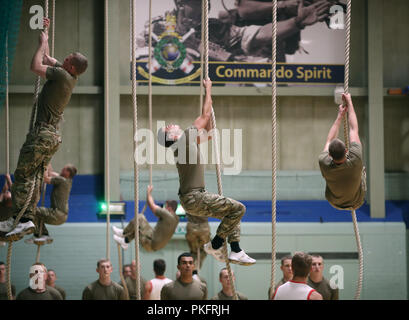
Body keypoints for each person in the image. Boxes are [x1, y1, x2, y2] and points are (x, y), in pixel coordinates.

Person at [0, 17, 88, 240]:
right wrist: (45, 37)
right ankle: (25, 219)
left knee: (24, 174)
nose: (61, 59)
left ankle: (22, 219)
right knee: (34, 177)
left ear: (71, 66)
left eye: (66, 59)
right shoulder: (70, 77)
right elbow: (48, 59)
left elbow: (35, 65)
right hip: (51, 136)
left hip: (42, 134)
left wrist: (39, 45)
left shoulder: (62, 75)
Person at [157, 78, 254, 266]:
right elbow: (204, 115)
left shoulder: (186, 143)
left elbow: (209, 132)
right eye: (168, 127)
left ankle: (235, 249)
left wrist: (210, 112)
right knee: (239, 208)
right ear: (172, 136)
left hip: (192, 198)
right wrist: (208, 89)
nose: (172, 124)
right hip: (195, 197)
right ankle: (216, 245)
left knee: (232, 214)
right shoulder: (184, 139)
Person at [137, 0, 330, 64]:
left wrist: (297, 22)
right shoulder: (155, 28)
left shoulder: (216, 28)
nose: (200, 10)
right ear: (179, 4)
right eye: (194, 4)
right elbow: (140, 61)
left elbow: (259, 33)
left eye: (205, 4)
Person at [319, 93, 366, 210]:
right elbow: (353, 129)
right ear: (346, 150)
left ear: (329, 155)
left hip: (335, 202)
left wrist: (340, 116)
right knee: (361, 170)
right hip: (356, 202)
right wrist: (350, 102)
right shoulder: (355, 159)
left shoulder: (324, 161)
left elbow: (329, 140)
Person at [112, 185, 179, 252]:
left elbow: (152, 205)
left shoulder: (168, 215)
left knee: (140, 218)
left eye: (165, 207)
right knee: (138, 227)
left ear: (169, 209)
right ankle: (125, 241)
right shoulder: (176, 219)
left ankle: (123, 232)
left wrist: (148, 193)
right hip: (153, 245)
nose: (164, 208)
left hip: (150, 242)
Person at [25, 163, 77, 243]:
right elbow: (50, 174)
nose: (62, 169)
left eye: (64, 169)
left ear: (68, 173)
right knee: (38, 214)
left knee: (32, 211)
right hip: (61, 216)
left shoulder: (61, 180)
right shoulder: (67, 181)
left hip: (57, 214)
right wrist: (47, 162)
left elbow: (45, 179)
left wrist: (45, 168)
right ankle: (41, 235)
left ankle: (42, 234)